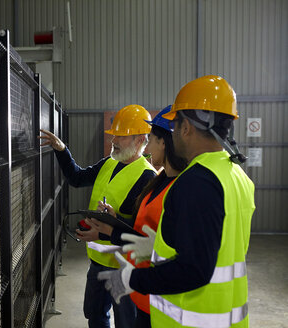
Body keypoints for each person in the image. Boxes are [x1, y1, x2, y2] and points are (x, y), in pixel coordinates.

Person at [97, 75, 256, 328]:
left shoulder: (196, 182)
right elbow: (215, 245)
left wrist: (132, 279)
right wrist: (158, 246)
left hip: (192, 320)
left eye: (176, 125)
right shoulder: (235, 175)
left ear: (186, 128)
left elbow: (194, 271)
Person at [39, 104, 157, 328]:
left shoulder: (147, 177)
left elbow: (141, 231)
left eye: (121, 137)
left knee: (126, 322)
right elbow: (76, 178)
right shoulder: (109, 163)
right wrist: (61, 149)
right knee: (95, 316)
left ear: (140, 140)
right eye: (114, 135)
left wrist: (111, 225)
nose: (114, 141)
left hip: (124, 267)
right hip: (97, 262)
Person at [85, 105, 187, 328]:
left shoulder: (172, 186)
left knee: (125, 320)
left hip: (151, 287)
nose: (147, 146)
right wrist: (109, 227)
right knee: (100, 314)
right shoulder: (159, 182)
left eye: (150, 140)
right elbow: (140, 231)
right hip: (138, 279)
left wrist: (111, 231)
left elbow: (159, 243)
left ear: (165, 142)